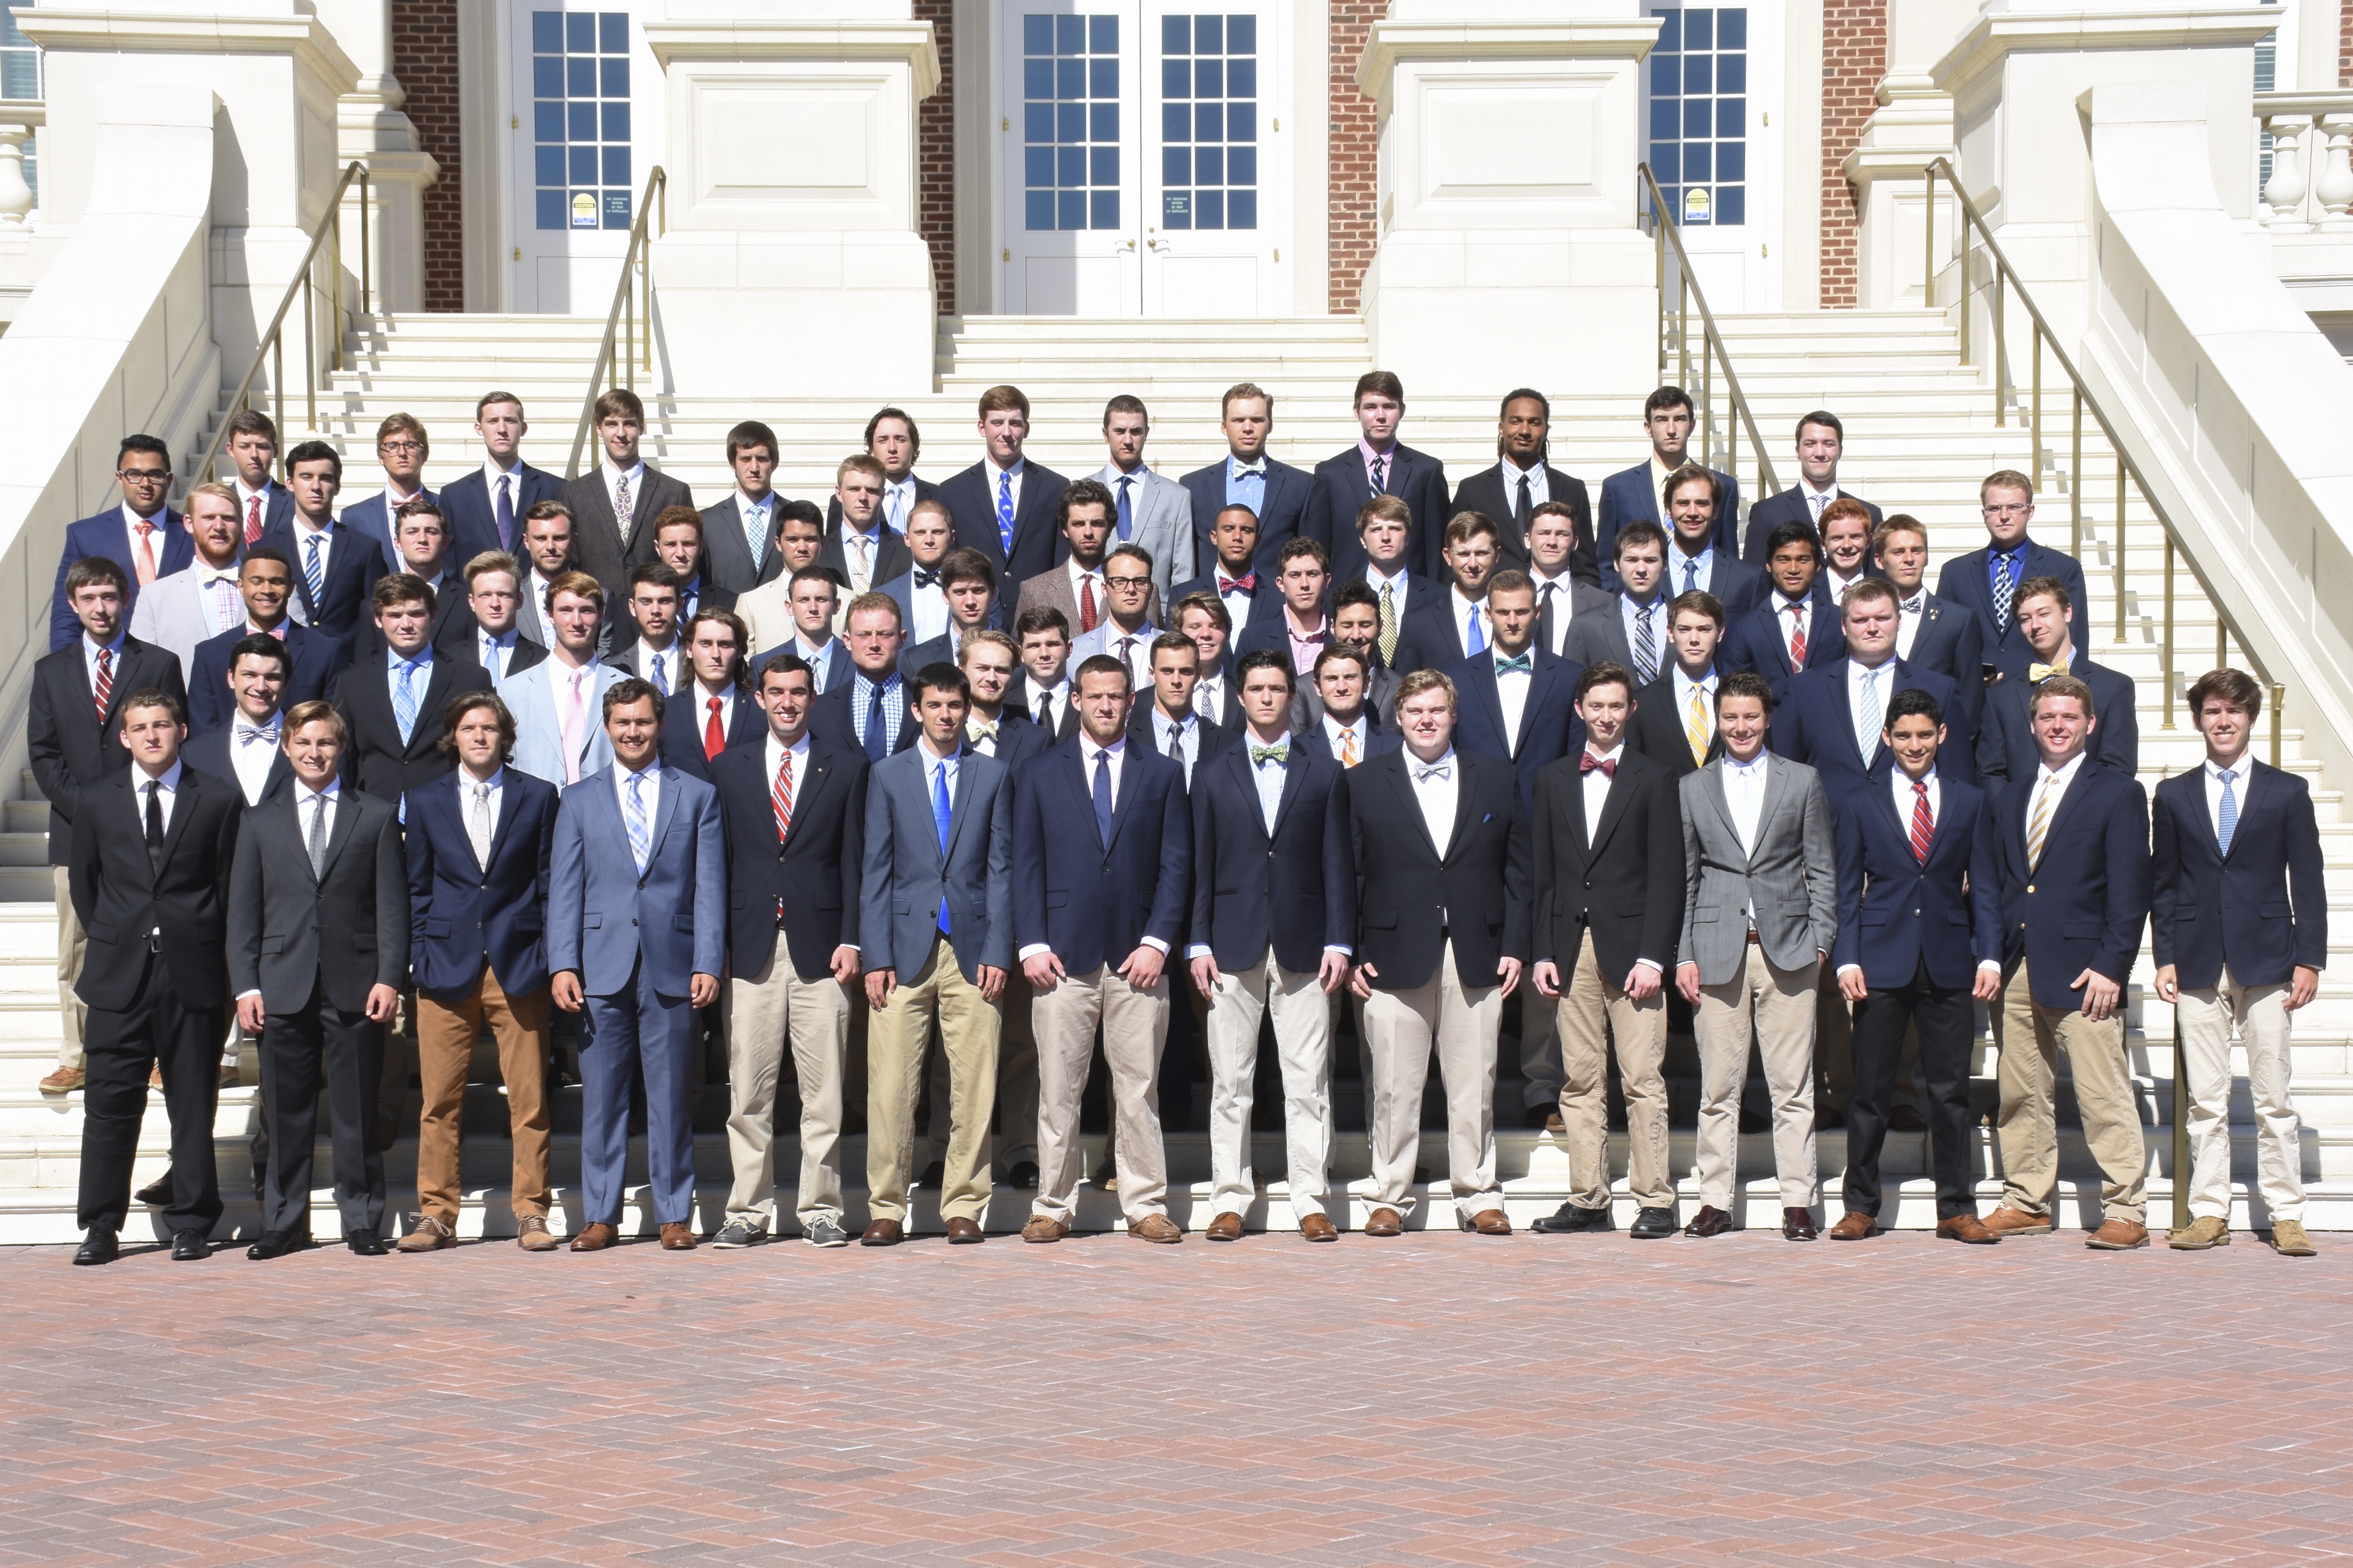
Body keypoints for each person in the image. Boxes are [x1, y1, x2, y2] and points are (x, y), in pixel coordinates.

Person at [1345, 669, 1528, 1237]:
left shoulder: (1496, 779)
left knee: (1474, 1081)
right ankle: (1389, 1196)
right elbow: (1346, 872)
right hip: (1390, 954)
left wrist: (1517, 944)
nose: (1426, 720)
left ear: (1453, 716)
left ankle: (1477, 1194)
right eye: (1415, 711)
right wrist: (1350, 948)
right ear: (1398, 718)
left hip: (1477, 951)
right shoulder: (1364, 782)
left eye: (1437, 710)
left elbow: (1520, 870)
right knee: (1394, 1084)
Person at [1015, 654, 1192, 1244]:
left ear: (1131, 700)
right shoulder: (1041, 772)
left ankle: (1145, 1203)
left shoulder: (1162, 773)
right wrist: (1032, 943)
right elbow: (1025, 865)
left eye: (1116, 696)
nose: (1106, 705)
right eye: (1095, 696)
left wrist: (1158, 941)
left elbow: (1176, 866)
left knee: (1139, 1087)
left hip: (1139, 959)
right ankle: (1052, 1205)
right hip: (1061, 958)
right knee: (1058, 1088)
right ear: (1076, 700)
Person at [549, 678, 725, 1252]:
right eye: (622, 723)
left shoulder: (695, 795)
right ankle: (600, 1214)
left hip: (673, 964)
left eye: (643, 722)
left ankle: (674, 1213)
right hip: (600, 968)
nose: (632, 732)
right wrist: (562, 963)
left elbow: (709, 886)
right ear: (607, 728)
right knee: (601, 1097)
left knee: (672, 1094)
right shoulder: (578, 799)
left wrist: (708, 959)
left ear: (660, 724)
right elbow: (565, 890)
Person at [2153, 669, 2326, 1257]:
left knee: (2273, 1098)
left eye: (2233, 711)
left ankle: (2286, 1213)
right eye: (2211, 711)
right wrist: (2165, 955)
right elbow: (2165, 884)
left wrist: (2310, 959)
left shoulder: (2287, 792)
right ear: (2199, 719)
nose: (2222, 721)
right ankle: (2209, 1212)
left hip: (2270, 960)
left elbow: (2308, 882)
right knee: (2206, 1100)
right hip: (2198, 960)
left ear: (2250, 717)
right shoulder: (2173, 795)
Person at [67, 689, 242, 1266]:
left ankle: (191, 1221)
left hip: (192, 974)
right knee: (110, 1104)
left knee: (192, 1102)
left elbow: (226, 888)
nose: (151, 736)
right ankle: (100, 1225)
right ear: (124, 736)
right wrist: (127, 937)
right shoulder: (96, 800)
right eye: (139, 727)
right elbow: (87, 887)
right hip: (120, 977)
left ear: (181, 731)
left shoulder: (216, 799)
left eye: (161, 725)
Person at [229, 701, 408, 1259]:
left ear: (341, 747)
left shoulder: (374, 816)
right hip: (282, 982)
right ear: (287, 747)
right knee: (286, 1113)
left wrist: (388, 977)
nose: (315, 753)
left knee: (356, 1111)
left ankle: (361, 1219)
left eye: (326, 743)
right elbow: (243, 912)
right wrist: (246, 985)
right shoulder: (258, 821)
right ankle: (284, 1221)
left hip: (356, 984)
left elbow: (392, 909)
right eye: (304, 743)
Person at [1188, 650, 1355, 1242]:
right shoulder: (1210, 772)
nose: (1265, 697)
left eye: (1277, 688)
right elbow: (1200, 865)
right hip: (1230, 942)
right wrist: (1197, 940)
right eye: (1256, 688)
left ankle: (1311, 1198)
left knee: (1307, 1079)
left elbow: (1339, 862)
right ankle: (1230, 1197)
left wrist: (1340, 938)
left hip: (1306, 942)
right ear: (1239, 695)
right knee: (1231, 1080)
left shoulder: (1324, 768)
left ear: (1293, 695)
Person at [1983, 674, 2153, 1249]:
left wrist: (2113, 964)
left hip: (2087, 969)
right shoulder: (2011, 794)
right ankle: (2027, 1200)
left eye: (2069, 717)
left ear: (2090, 724)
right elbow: (2008, 884)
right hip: (2018, 962)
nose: (2057, 726)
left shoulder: (2118, 792)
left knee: (2102, 1091)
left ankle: (2126, 1208)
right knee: (2020, 1089)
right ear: (2031, 725)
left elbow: (2131, 890)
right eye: (2047, 717)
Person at [1828, 688, 2003, 1244]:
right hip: (1880, 960)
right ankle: (1860, 1205)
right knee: (1870, 1092)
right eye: (1903, 735)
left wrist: (1991, 953)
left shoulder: (1969, 802)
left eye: (1924, 735)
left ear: (1942, 736)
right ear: (1886, 738)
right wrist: (1846, 957)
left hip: (1950, 960)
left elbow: (1988, 889)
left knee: (1950, 1093)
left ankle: (1956, 1207)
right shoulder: (1860, 800)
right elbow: (1844, 888)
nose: (1914, 745)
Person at [710, 654, 868, 1250]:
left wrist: (853, 937)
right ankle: (747, 1211)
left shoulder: (847, 768)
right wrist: (717, 945)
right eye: (776, 692)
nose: (787, 702)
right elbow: (718, 865)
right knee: (748, 1090)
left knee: (824, 1090)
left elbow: (856, 862)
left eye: (798, 692)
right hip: (750, 947)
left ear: (813, 696)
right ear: (758, 697)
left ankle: (821, 1209)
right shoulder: (727, 768)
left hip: (824, 950)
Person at [1674, 671, 1837, 1241]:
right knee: (1718, 1087)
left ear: (1766, 719)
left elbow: (1820, 866)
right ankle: (1714, 1200)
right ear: (1716, 722)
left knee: (1792, 1087)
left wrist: (1821, 939)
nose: (1740, 727)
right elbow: (1688, 879)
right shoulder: (1693, 787)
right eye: (1729, 718)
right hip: (1717, 951)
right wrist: (1683, 954)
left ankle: (1798, 1201)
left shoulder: (1802, 781)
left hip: (1788, 949)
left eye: (1750, 717)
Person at [398, 692, 561, 1252]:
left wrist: (545, 952)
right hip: (444, 969)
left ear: (504, 736)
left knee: (530, 1100)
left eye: (490, 728)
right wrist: (419, 953)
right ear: (454, 736)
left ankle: (532, 1212)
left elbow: (547, 883)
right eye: (469, 728)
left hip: (518, 965)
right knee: (439, 1101)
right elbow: (417, 886)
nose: (480, 737)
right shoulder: (423, 800)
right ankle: (437, 1214)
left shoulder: (538, 796)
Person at [859, 662, 1015, 1245]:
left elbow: (1001, 871)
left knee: (974, 1081)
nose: (947, 715)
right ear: (918, 710)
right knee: (892, 1084)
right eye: (936, 705)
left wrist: (1000, 947)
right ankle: (886, 1206)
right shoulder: (888, 775)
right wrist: (875, 955)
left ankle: (964, 1204)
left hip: (973, 950)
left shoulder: (993, 775)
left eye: (955, 705)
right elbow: (875, 871)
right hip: (901, 951)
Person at [1528, 662, 1685, 1239]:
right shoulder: (1551, 779)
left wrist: (1654, 956)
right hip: (1570, 946)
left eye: (1616, 705)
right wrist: (1542, 948)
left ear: (1631, 710)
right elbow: (1543, 874)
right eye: (1596, 705)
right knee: (1579, 1077)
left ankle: (1655, 1199)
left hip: (1633, 949)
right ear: (1579, 709)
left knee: (1643, 1077)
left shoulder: (1655, 777)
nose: (1606, 715)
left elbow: (1668, 874)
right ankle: (1587, 1197)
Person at [31, 558, 189, 1096]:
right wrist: (95, 811)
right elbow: (44, 755)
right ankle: (78, 1054)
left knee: (158, 939)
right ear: (73, 605)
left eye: (109, 596)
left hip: (150, 829)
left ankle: (159, 1051)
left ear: (125, 601)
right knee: (76, 944)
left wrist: (126, 813)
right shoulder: (51, 671)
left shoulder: (159, 663)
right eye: (89, 598)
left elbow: (171, 743)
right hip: (76, 831)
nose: (100, 607)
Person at [1772, 578, 1973, 795]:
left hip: (1909, 825)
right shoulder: (1804, 690)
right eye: (1861, 620)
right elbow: (1786, 774)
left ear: (1899, 621)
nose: (1872, 628)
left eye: (1882, 618)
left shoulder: (1940, 689)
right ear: (1844, 626)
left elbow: (1958, 782)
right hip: (1826, 823)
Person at [333, 574, 493, 810]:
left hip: (448, 812)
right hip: (373, 815)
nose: (406, 625)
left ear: (433, 616)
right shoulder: (352, 681)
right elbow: (342, 755)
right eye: (395, 615)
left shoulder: (470, 678)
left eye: (416, 614)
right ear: (378, 619)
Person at [1975, 577, 2138, 796]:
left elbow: (2118, 769)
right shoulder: (2000, 698)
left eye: (2044, 614)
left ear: (2067, 612)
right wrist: (2015, 817)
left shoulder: (2114, 688)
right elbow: (1991, 773)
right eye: (2025, 619)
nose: (2035, 625)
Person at [1934, 470, 2090, 683]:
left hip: (2042, 694)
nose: (2004, 516)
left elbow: (2077, 640)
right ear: (1984, 514)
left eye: (2015, 507)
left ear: (2030, 511)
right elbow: (1943, 644)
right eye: (1995, 508)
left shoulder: (2063, 568)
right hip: (1978, 699)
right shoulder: (1955, 573)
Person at [1449, 569, 1583, 805]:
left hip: (1545, 813)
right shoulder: (1457, 679)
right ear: (1488, 614)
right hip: (1478, 814)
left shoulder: (1569, 678)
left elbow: (1575, 757)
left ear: (1537, 612)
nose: (1512, 622)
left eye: (1521, 612)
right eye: (1503, 612)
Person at [184, 548, 350, 735]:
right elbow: (203, 736)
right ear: (241, 586)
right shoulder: (210, 654)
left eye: (276, 582)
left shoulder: (325, 652)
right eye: (257, 582)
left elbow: (336, 730)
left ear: (291, 588)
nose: (267, 590)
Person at [50, 434, 192, 650]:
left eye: (155, 475)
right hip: (110, 662)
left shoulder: (192, 534)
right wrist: (64, 672)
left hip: (177, 662)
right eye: (134, 474)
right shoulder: (85, 536)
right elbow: (66, 613)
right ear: (120, 478)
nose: (145, 484)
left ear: (169, 480)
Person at [560, 388, 695, 615]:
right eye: (612, 424)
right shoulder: (573, 494)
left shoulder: (674, 492)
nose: (621, 433)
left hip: (657, 616)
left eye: (629, 424)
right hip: (597, 621)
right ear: (598, 429)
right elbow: (570, 564)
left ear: (642, 427)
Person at [1179, 381, 1325, 579]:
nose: (1248, 428)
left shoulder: (1301, 485)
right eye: (1238, 420)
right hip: (1211, 603)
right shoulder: (1193, 486)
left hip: (1277, 603)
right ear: (1224, 426)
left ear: (1270, 425)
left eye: (1257, 420)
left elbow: (1310, 555)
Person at [1596, 387, 1739, 589]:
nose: (1671, 430)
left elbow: (1729, 560)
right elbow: (1605, 564)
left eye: (1680, 420)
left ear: (1691, 426)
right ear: (1648, 427)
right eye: (1662, 420)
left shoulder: (1723, 486)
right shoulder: (1618, 488)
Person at [1450, 388, 1598, 583]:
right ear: (1501, 427)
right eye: (1516, 421)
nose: (1525, 431)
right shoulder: (1473, 490)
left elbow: (1586, 567)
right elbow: (1454, 561)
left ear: (1546, 429)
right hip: (1494, 607)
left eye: (1534, 422)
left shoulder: (1572, 490)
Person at [498, 572, 629, 789]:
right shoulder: (511, 693)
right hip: (538, 816)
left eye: (586, 611)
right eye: (566, 611)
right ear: (550, 614)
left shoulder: (626, 688)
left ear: (600, 615)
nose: (576, 622)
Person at [1316, 371, 1450, 581]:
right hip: (1347, 598)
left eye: (1389, 407)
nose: (1380, 416)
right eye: (1370, 407)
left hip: (1411, 598)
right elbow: (1318, 549)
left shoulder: (1427, 472)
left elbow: (1437, 547)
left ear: (1402, 411)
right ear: (1356, 411)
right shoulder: (1330, 474)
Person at [939, 384, 1069, 587]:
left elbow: (1061, 563)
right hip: (978, 612)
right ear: (982, 428)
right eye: (997, 423)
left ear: (1026, 429)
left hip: (1039, 612)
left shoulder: (1055, 487)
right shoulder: (953, 492)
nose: (1006, 432)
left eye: (1015, 423)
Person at [1872, 514, 1986, 738]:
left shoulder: (1958, 620)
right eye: (1898, 552)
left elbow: (1970, 704)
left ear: (1926, 557)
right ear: (1879, 560)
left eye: (1917, 550)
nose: (1909, 559)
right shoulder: (1863, 618)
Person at [259, 441, 384, 643]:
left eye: (325, 478)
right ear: (290, 483)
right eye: (306, 477)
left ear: (337, 486)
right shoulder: (266, 549)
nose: (316, 486)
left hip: (347, 669)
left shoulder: (365, 549)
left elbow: (377, 618)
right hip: (282, 665)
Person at [128, 481, 246, 674]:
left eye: (228, 518)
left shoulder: (274, 589)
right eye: (209, 517)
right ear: (189, 524)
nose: (219, 526)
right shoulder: (154, 597)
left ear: (242, 523)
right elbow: (142, 672)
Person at [1722, 519, 1844, 700]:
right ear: (1769, 565)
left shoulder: (1839, 620)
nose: (1793, 569)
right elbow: (1735, 693)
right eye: (1784, 560)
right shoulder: (1743, 628)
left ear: (1818, 565)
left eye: (1803, 560)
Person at [1091, 394, 1196, 601]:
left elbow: (1184, 573)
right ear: (1105, 434)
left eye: (1136, 431)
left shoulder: (1176, 497)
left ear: (1146, 433)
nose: (1128, 440)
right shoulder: (1083, 493)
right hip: (1095, 618)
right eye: (1120, 431)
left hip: (1156, 619)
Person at [1742, 411, 1881, 562]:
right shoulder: (1767, 513)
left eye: (1828, 444)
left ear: (1840, 451)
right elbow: (1755, 580)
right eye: (1810, 444)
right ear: (1798, 451)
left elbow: (1876, 582)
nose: (1820, 452)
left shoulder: (1870, 514)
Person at [441, 391, 563, 562]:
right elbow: (449, 562)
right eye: (493, 421)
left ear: (524, 428)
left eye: (510, 421)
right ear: (479, 428)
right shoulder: (455, 496)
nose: (502, 430)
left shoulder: (555, 489)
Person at [1018, 480, 1148, 636]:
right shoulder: (1035, 591)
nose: (1088, 532)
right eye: (1079, 524)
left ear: (1110, 528)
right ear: (1065, 529)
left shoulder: (1142, 589)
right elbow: (1023, 652)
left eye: (1097, 523)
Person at [352, 500, 478, 661]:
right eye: (412, 532)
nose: (422, 539)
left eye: (431, 532)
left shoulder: (469, 603)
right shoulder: (374, 606)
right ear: (397, 543)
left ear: (445, 542)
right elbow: (366, 670)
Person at [184, 635, 298, 808]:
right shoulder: (195, 753)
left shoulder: (311, 747)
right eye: (250, 675)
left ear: (287, 683)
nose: (261, 687)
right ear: (231, 678)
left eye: (272, 677)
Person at [1562, 519, 1674, 686]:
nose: (1641, 569)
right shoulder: (1586, 626)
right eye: (1632, 560)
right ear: (1616, 564)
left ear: (1665, 564)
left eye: (1650, 560)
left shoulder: (1686, 621)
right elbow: (1570, 691)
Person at [1625, 589, 1725, 777]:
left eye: (1704, 629)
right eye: (1685, 630)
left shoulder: (1741, 697)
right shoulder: (1643, 703)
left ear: (1720, 633)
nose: (1694, 639)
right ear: (1671, 633)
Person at [1392, 512, 1501, 675]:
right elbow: (1405, 691)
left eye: (1481, 553)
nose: (1472, 563)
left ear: (1497, 555)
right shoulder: (1418, 623)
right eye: (1463, 554)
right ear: (1448, 556)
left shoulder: (1516, 616)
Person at [813, 592, 918, 760]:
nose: (874, 644)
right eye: (864, 635)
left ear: (902, 639)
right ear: (847, 641)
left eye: (885, 634)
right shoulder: (821, 710)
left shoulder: (925, 702)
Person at [661, 608, 761, 780]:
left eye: (725, 644)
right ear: (689, 650)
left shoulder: (761, 712)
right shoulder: (665, 713)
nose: (716, 654)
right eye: (706, 644)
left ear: (739, 651)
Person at [1290, 582, 1401, 733]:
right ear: (1333, 628)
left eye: (1365, 625)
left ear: (1380, 628)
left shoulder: (1399, 688)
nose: (1356, 635)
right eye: (1347, 626)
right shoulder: (1304, 690)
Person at [1129, 630, 1237, 786]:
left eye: (1185, 671)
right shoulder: (1128, 743)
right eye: (1167, 671)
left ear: (1198, 674)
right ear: (1152, 674)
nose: (1176, 680)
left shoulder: (1229, 743)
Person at [338, 412, 437, 574]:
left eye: (411, 445)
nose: (402, 453)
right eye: (392, 446)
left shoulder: (448, 508)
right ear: (380, 457)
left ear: (425, 455)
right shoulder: (355, 518)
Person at [1660, 464, 1765, 615]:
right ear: (1669, 510)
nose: (1692, 512)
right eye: (1683, 503)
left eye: (1702, 503)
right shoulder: (1643, 571)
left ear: (1716, 511)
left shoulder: (1747, 578)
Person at [701, 420, 790, 594]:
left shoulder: (795, 517)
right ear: (732, 464)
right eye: (745, 459)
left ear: (775, 462)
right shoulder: (708, 522)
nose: (754, 468)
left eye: (762, 459)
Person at [1170, 503, 1280, 645]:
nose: (1237, 537)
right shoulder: (1182, 594)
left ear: (1258, 540)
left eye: (1246, 530)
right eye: (1229, 529)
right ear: (1214, 537)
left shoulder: (1279, 597)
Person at [1340, 496, 1421, 666]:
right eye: (1376, 529)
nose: (1386, 537)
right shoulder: (1339, 597)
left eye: (1394, 528)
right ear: (1363, 539)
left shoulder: (1438, 598)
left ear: (1408, 538)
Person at [1070, 542, 1163, 691]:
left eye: (1140, 582)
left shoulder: (1175, 650)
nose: (1131, 589)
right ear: (1105, 589)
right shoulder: (1073, 653)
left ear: (1151, 589)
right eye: (1120, 582)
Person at [1233, 535, 1334, 671]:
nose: (1304, 584)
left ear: (1327, 581)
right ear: (1280, 584)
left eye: (1312, 574)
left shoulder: (1343, 636)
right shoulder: (1253, 640)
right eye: (1295, 575)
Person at [1527, 501, 1613, 658]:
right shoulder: (1503, 597)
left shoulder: (1602, 602)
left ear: (1575, 543)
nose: (1552, 542)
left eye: (1562, 534)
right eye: (1544, 533)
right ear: (1528, 540)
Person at [822, 454, 913, 600]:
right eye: (854, 489)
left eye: (872, 490)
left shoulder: (907, 552)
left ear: (883, 495)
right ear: (839, 493)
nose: (863, 497)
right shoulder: (820, 551)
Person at [1295, 642, 1402, 768]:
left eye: (1350, 677)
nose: (1342, 687)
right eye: (1332, 678)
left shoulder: (1397, 746)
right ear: (1318, 687)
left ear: (1367, 683)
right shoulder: (1297, 749)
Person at [900, 548, 1002, 674]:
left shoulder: (1019, 654)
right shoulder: (917, 661)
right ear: (945, 596)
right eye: (960, 592)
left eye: (978, 591)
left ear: (993, 593)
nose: (970, 601)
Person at [873, 498, 958, 648]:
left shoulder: (976, 593)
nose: (929, 540)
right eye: (920, 533)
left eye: (937, 532)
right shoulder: (883, 596)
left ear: (952, 537)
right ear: (907, 539)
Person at [462, 550, 548, 686]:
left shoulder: (544, 660)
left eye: (504, 595)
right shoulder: (449, 659)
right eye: (485, 595)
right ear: (472, 602)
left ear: (519, 600)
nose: (495, 604)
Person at [604, 563, 687, 693]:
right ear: (632, 607)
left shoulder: (699, 664)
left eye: (665, 601)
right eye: (646, 602)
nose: (655, 611)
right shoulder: (610, 670)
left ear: (680, 605)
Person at [645, 506, 734, 626]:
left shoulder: (731, 603)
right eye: (671, 545)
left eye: (688, 544)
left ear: (701, 546)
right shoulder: (638, 606)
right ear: (657, 548)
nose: (680, 553)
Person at [222, 408, 294, 547]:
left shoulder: (295, 503)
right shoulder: (218, 503)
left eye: (262, 447)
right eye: (245, 447)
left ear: (276, 450)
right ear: (231, 450)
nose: (254, 454)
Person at [514, 500, 577, 648]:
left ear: (574, 540)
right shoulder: (511, 597)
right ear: (527, 541)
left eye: (559, 538)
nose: (550, 547)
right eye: (541, 539)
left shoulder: (599, 596)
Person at [1011, 605, 1079, 742]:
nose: (1044, 654)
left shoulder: (1089, 703)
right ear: (1021, 653)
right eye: (1034, 646)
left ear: (1069, 649)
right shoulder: (1005, 706)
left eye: (1052, 644)